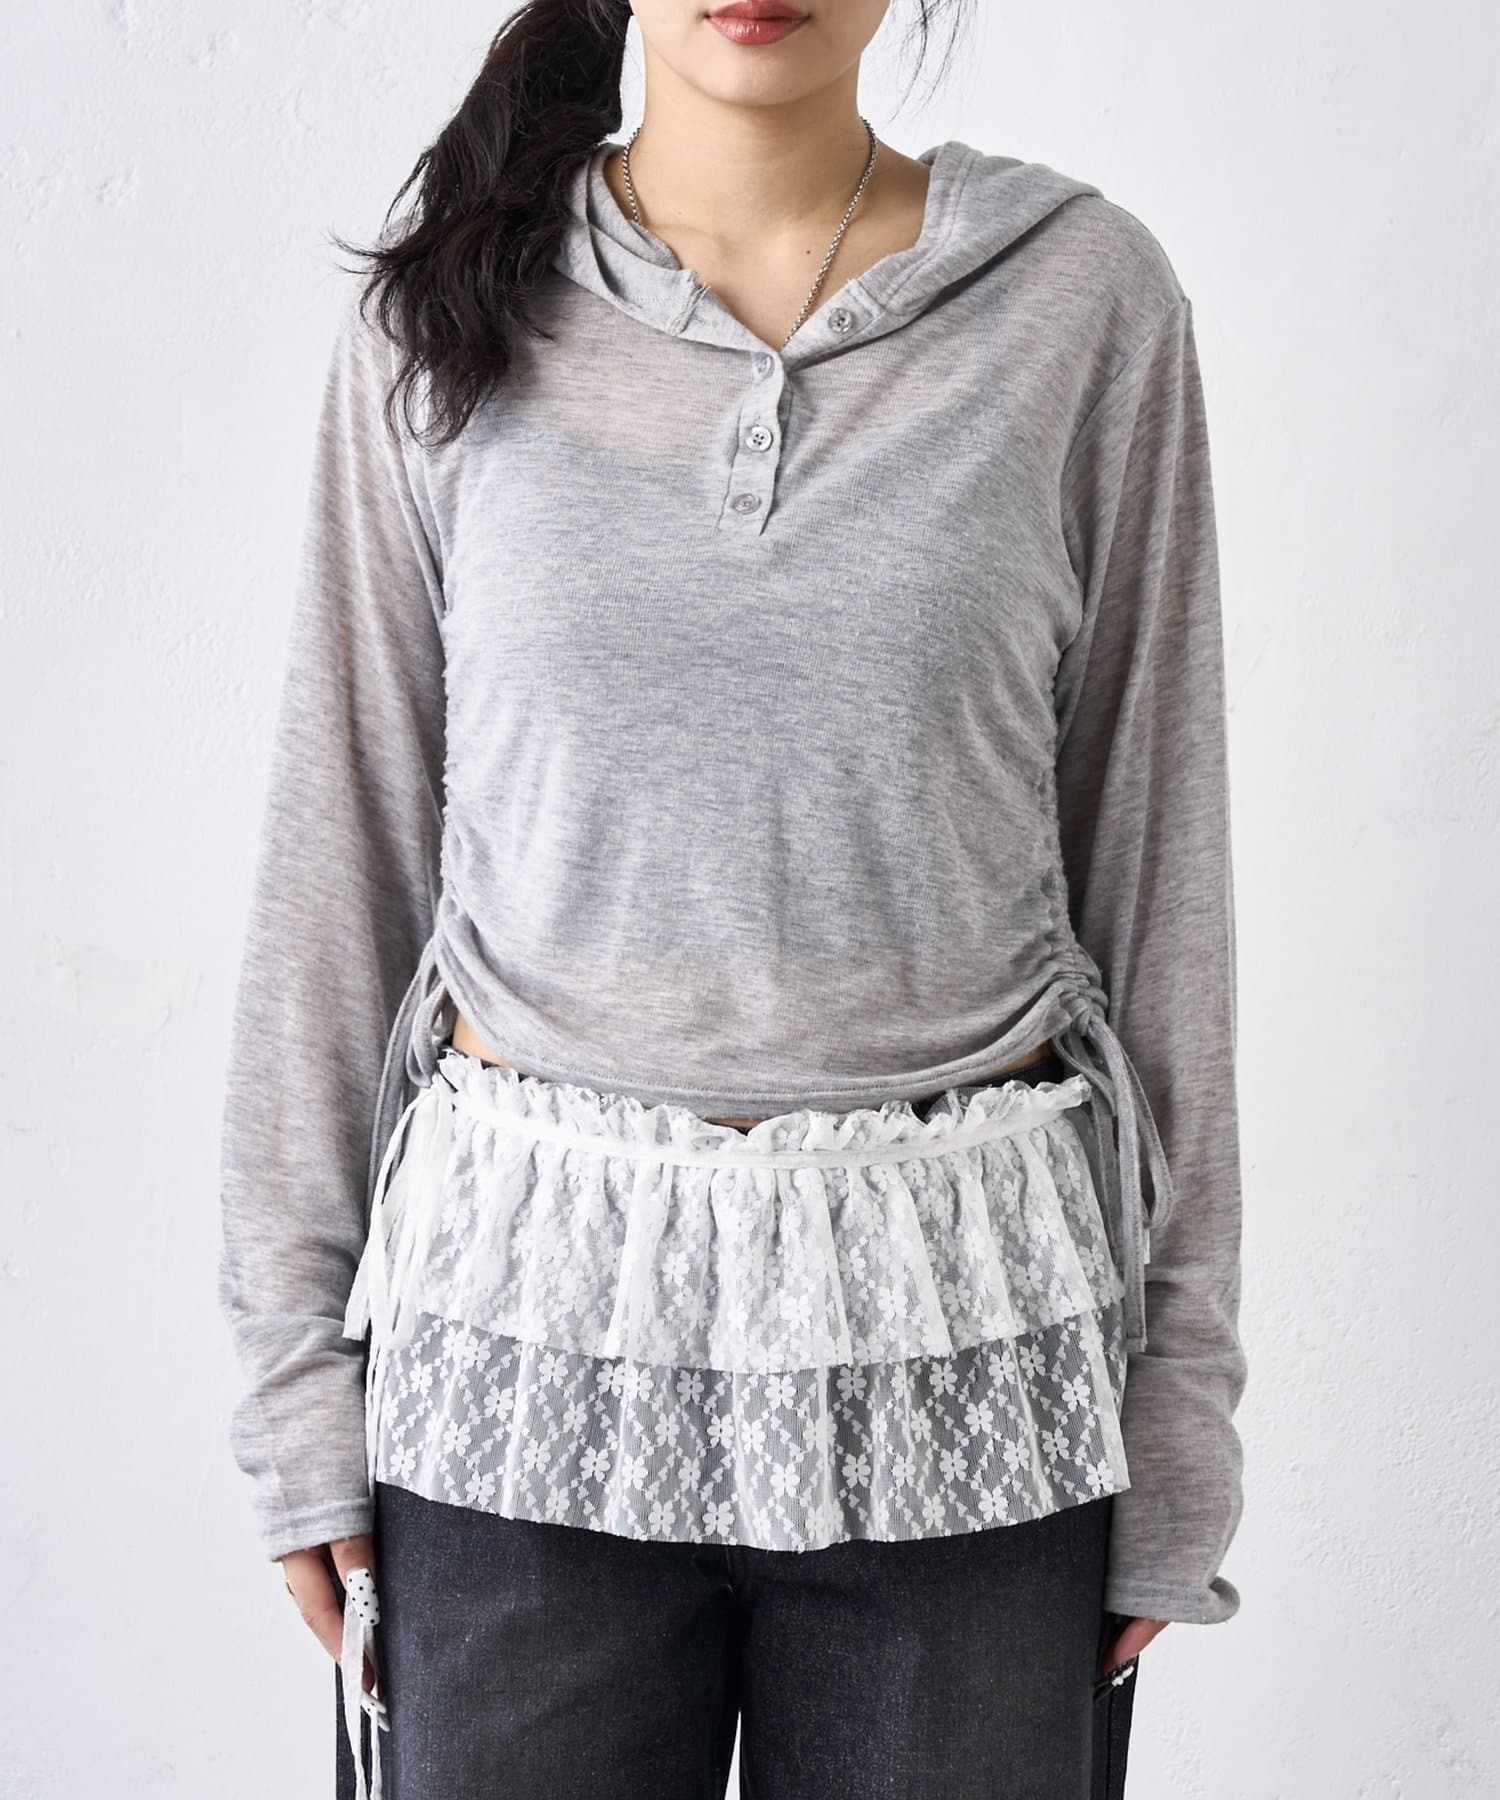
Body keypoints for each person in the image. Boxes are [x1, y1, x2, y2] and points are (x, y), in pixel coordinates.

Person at [216, 2, 1248, 1795]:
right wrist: (293, 1372)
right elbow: (341, 852)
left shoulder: (1084, 302)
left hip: (966, 1352)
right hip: (523, 1346)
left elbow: (1161, 871)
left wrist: (1184, 1391)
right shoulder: (443, 313)